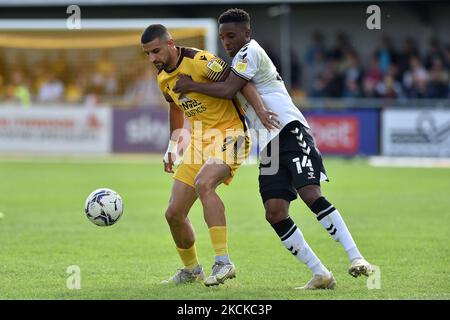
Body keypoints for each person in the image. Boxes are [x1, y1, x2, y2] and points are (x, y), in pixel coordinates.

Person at [173, 8, 374, 290]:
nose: (227, 42)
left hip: (289, 129)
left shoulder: (248, 52)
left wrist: (191, 85)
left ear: (247, 33)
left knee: (310, 193)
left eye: (231, 35)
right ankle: (321, 274)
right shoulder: (236, 64)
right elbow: (242, 88)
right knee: (274, 211)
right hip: (267, 144)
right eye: (222, 37)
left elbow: (231, 90)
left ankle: (357, 258)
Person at [141, 24, 277, 287]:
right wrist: (172, 146)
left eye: (155, 51)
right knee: (173, 213)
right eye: (147, 54)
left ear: (171, 43)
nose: (152, 59)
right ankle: (191, 270)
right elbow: (175, 108)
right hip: (200, 141)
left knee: (204, 184)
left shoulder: (201, 61)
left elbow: (238, 82)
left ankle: (223, 262)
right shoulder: (162, 78)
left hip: (232, 134)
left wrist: (259, 110)